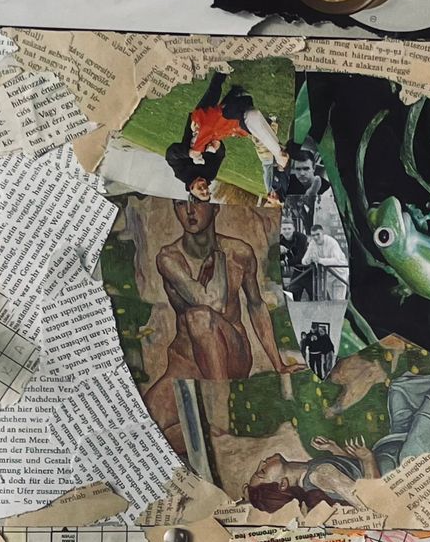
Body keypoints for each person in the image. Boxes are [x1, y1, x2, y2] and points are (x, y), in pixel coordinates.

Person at [141, 186, 297, 434]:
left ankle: (221, 412)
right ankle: (210, 430)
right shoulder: (169, 258)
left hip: (231, 354)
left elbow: (254, 306)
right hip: (186, 362)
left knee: (199, 317)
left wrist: (278, 364)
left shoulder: (239, 252)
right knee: (144, 425)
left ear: (215, 207)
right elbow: (205, 298)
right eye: (180, 204)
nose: (189, 211)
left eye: (197, 202)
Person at [245, 435, 374, 513]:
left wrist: (334, 449)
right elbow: (371, 503)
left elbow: (351, 472)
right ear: (283, 484)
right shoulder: (320, 474)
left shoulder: (311, 472)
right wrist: (368, 459)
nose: (262, 463)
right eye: (262, 471)